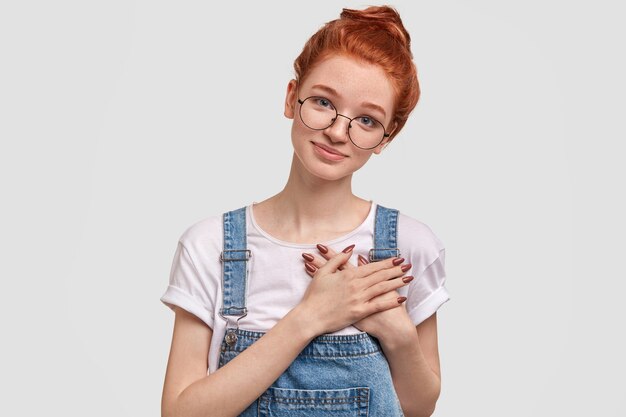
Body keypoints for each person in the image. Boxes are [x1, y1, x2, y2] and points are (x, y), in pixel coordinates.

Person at [160, 5, 450, 417]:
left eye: (367, 120)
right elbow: (180, 413)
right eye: (323, 102)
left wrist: (399, 337)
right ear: (290, 97)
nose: (337, 131)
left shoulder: (409, 246)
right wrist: (310, 318)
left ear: (387, 138)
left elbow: (419, 408)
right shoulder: (210, 247)